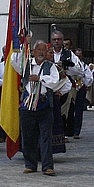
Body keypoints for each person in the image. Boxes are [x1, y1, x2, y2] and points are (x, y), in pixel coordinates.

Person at [10, 40, 59, 176]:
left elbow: (55, 82)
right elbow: (14, 61)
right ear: (33, 51)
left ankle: (47, 166)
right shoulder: (26, 64)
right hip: (27, 104)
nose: (41, 52)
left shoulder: (50, 66)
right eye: (38, 50)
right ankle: (30, 164)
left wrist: (40, 79)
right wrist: (22, 44)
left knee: (46, 137)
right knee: (28, 136)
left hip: (44, 105)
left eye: (44, 50)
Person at [50, 31, 84, 138]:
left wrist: (65, 66)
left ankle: (62, 134)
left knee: (64, 110)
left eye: (59, 39)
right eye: (54, 39)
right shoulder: (47, 52)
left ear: (62, 40)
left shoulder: (69, 54)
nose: (56, 41)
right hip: (49, 85)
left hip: (65, 85)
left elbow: (80, 71)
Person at [73, 48, 94, 139]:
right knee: (69, 110)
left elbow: (90, 78)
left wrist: (84, 80)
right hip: (71, 89)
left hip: (80, 89)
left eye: (79, 55)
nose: (78, 57)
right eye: (76, 55)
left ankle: (76, 131)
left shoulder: (85, 66)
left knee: (78, 111)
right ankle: (68, 130)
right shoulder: (71, 64)